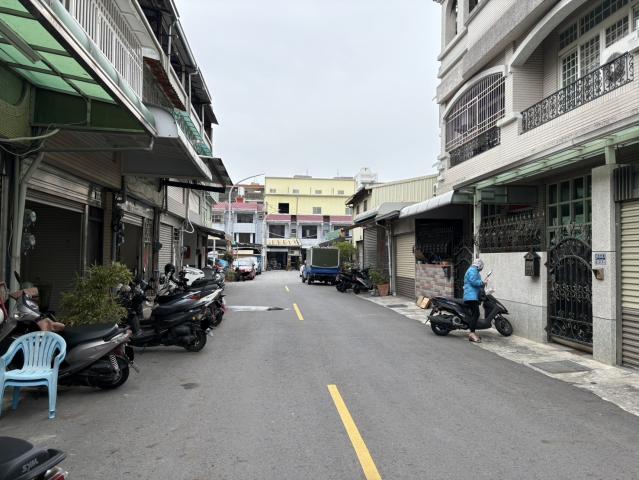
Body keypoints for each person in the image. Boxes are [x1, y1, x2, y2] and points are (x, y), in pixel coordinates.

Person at [463, 258, 486, 343]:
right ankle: (472, 334)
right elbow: (473, 281)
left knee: (474, 314)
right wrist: (482, 283)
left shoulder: (472, 270)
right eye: (481, 267)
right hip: (471, 296)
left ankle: (472, 333)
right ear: (479, 265)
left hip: (471, 295)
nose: (481, 268)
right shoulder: (473, 270)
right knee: (476, 314)